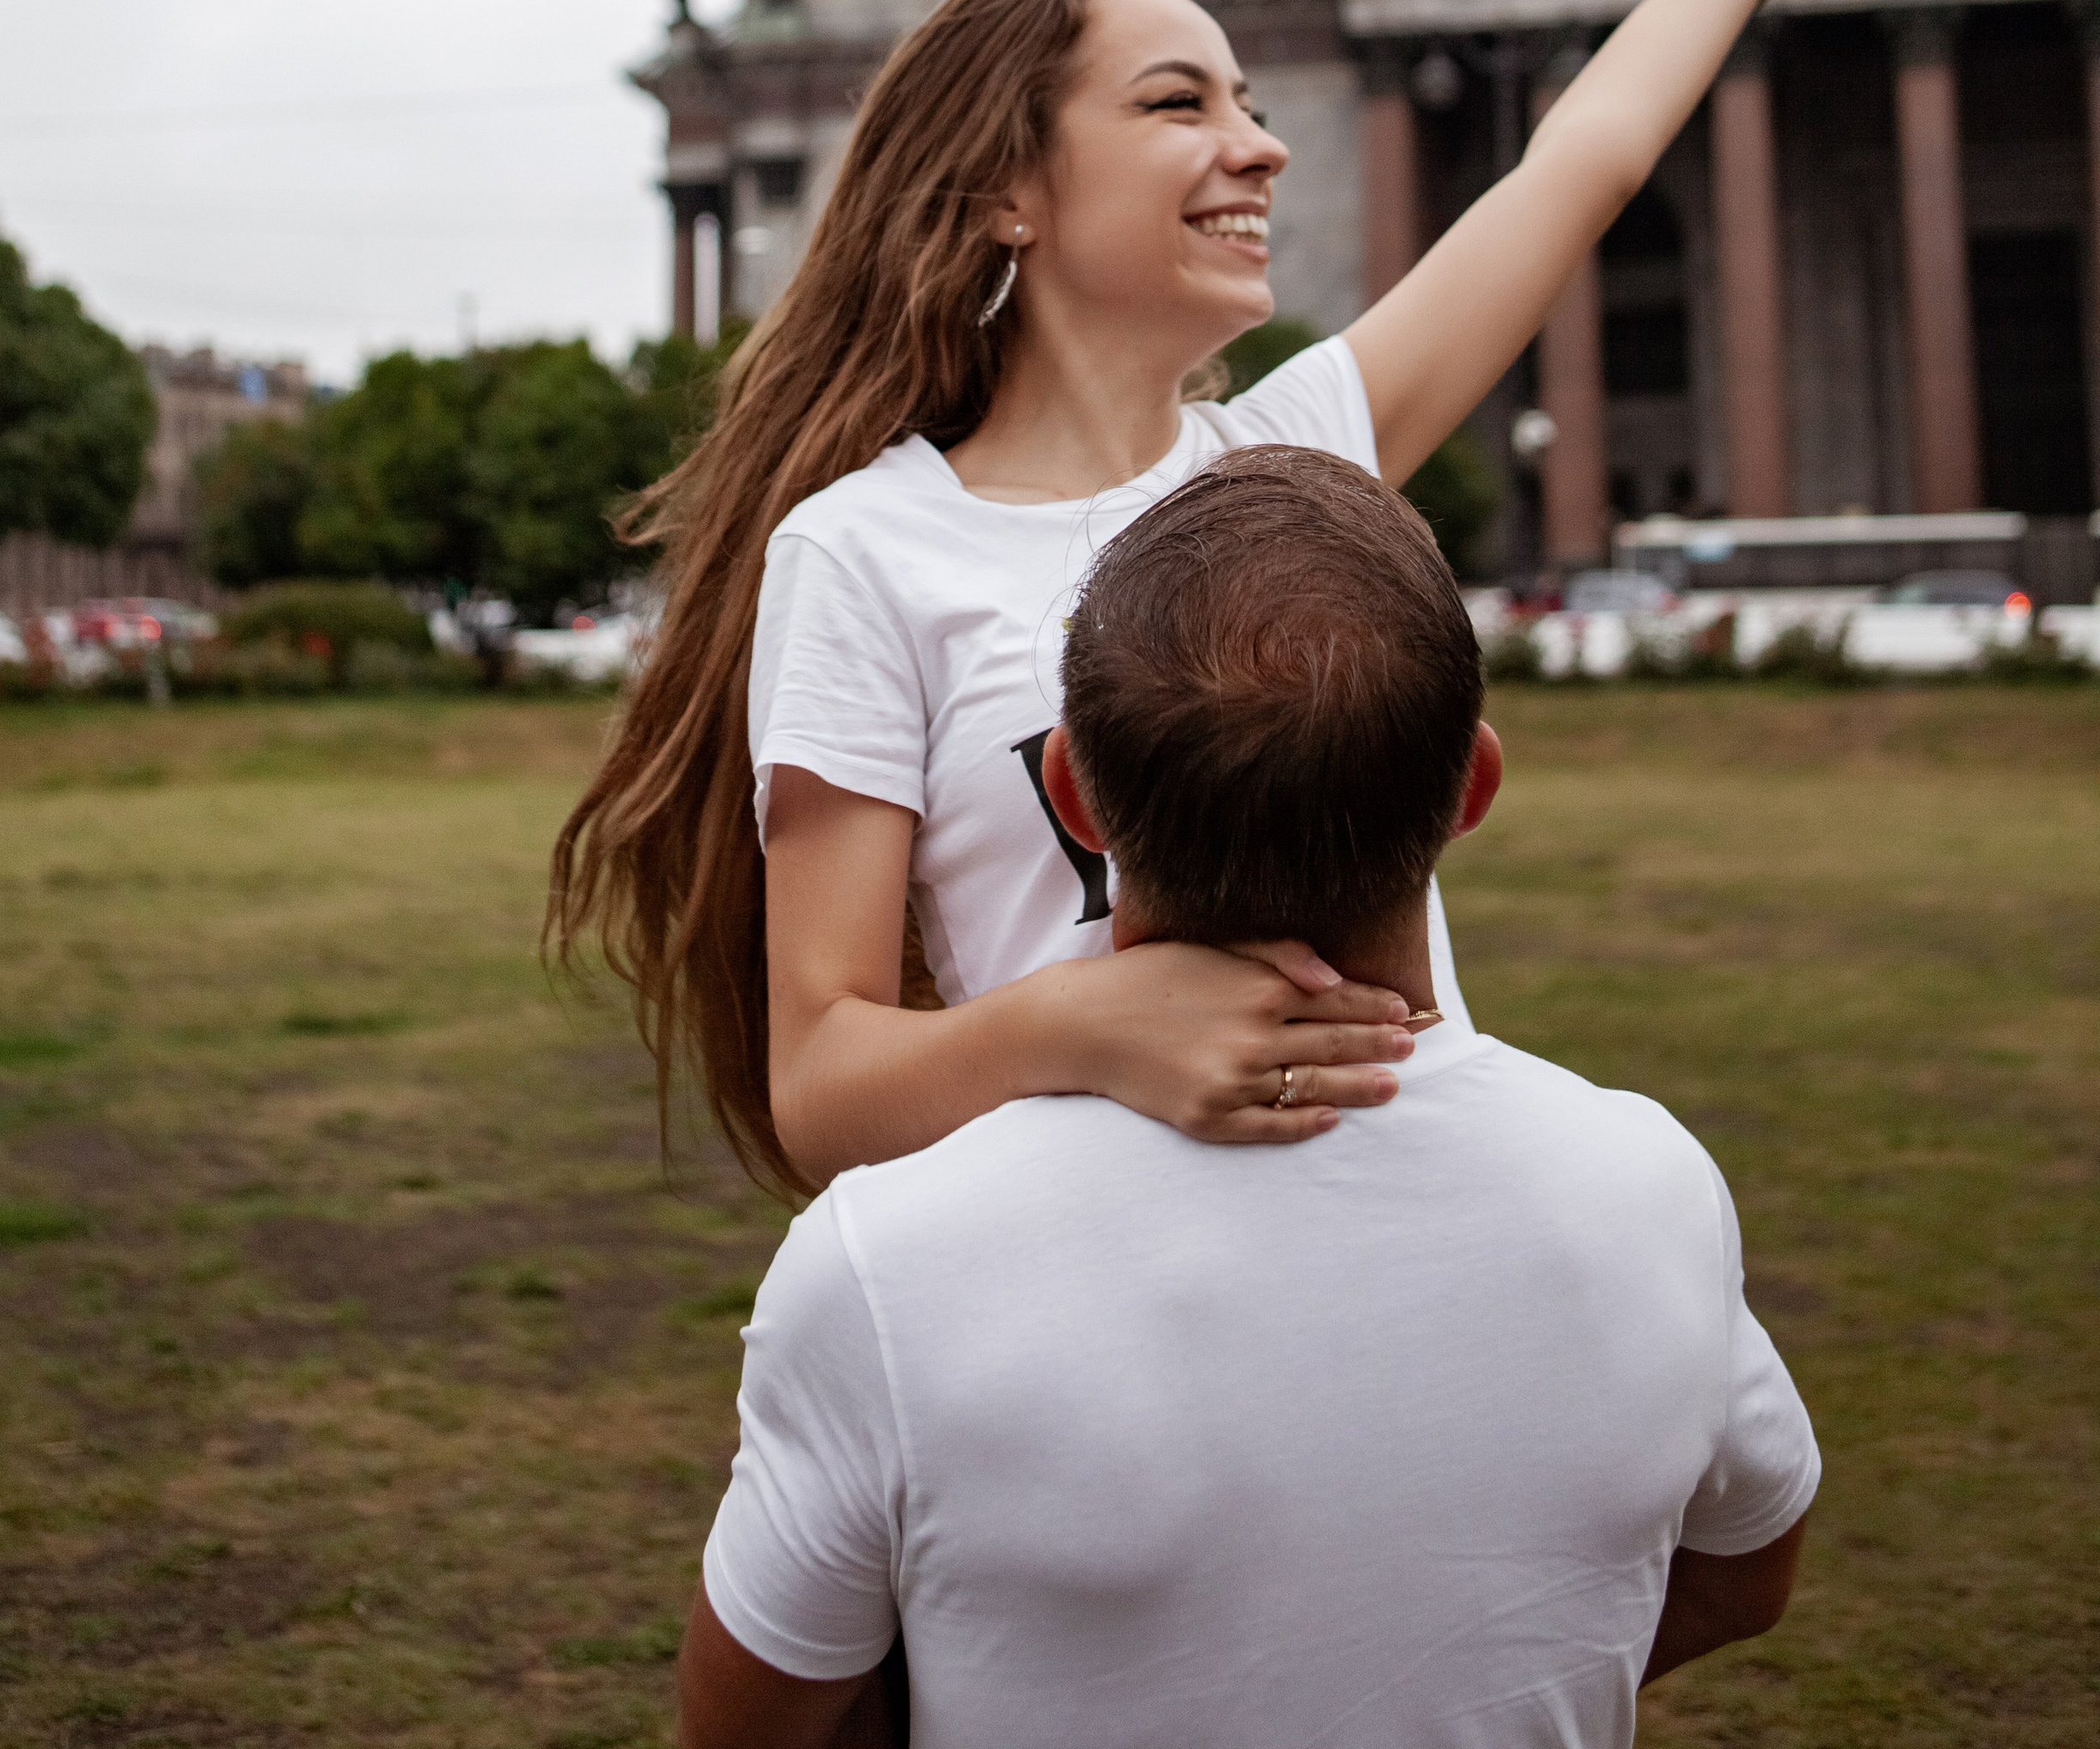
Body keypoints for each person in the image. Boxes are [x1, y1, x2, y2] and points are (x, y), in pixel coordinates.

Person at [552, 0, 1888, 1193]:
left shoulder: (1293, 457)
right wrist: (1086, 1022)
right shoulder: (862, 551)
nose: (1262, 145)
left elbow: (1584, 167)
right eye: (1179, 102)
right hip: (1101, 1291)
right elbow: (821, 1082)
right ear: (1012, 187)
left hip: (1407, 1231)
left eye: (1249, 100)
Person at [678, 450, 1820, 1749]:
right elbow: (1747, 1564)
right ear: (1472, 790)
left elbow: (749, 1724)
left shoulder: (884, 1269)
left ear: (1073, 795)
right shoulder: (1650, 1188)